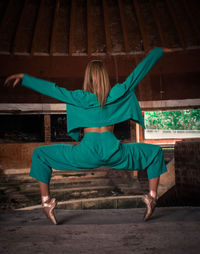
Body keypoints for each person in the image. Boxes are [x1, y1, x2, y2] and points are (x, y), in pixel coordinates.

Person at [5, 47, 172, 225]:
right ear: (104, 77)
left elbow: (53, 90)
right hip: (115, 153)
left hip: (85, 154)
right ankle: (152, 197)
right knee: (154, 153)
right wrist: (157, 52)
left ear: (88, 78)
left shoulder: (79, 97)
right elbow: (137, 74)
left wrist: (25, 78)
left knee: (40, 154)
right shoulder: (117, 92)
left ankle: (46, 203)